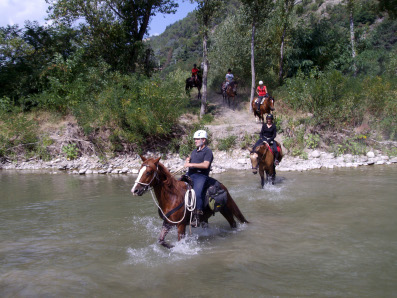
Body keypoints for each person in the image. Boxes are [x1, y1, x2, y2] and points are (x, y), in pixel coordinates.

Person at [184, 130, 213, 227]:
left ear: (203, 140)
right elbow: (191, 158)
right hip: (190, 174)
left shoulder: (208, 152)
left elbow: (205, 165)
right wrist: (188, 159)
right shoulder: (194, 151)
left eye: (197, 139)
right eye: (195, 139)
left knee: (197, 193)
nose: (195, 141)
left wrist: (190, 164)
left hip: (201, 176)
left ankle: (197, 216)